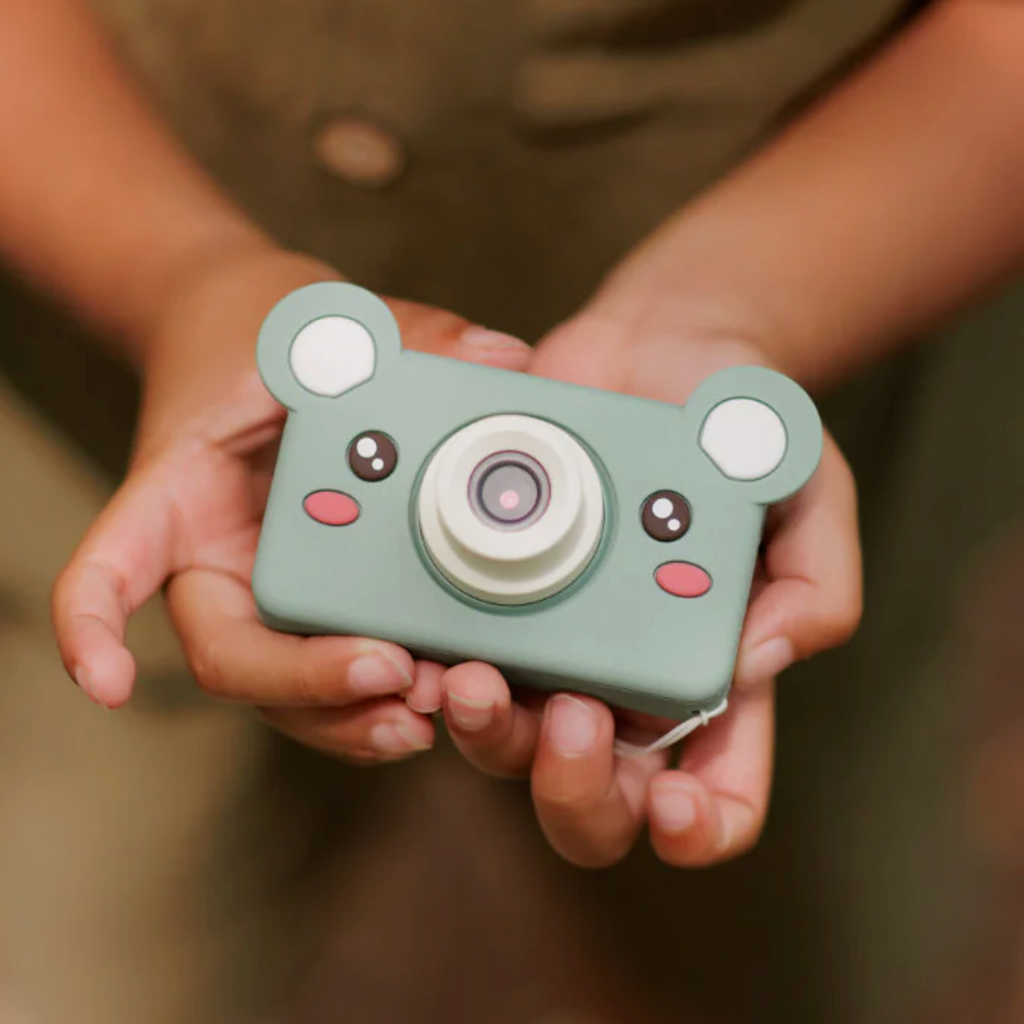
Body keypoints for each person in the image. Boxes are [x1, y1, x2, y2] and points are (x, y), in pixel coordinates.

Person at [2, 0, 1024, 1020]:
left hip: (789, 434)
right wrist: (178, 282)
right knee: (100, 958)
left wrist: (742, 301)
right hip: (135, 404)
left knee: (780, 960)